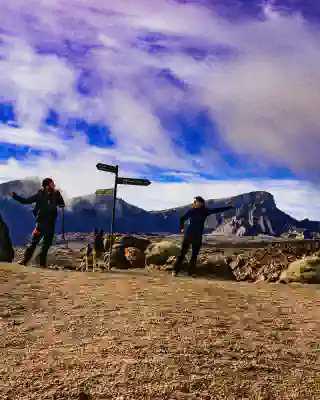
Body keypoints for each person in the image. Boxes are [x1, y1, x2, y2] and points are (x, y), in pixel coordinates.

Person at [9, 178, 65, 268]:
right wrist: (15, 196)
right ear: (47, 185)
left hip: (50, 223)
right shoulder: (40, 195)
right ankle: (25, 261)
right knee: (34, 242)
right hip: (41, 223)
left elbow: (62, 204)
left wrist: (59, 197)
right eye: (52, 184)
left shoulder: (56, 194)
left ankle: (41, 264)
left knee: (46, 245)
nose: (53, 185)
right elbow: (25, 201)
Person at [173, 196, 235, 276]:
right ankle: (175, 270)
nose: (194, 203)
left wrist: (229, 207)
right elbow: (182, 219)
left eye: (196, 202)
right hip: (189, 235)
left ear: (201, 203)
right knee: (182, 253)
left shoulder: (205, 211)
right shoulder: (191, 211)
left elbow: (216, 210)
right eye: (194, 202)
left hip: (198, 236)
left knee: (194, 255)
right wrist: (182, 228)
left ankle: (191, 273)